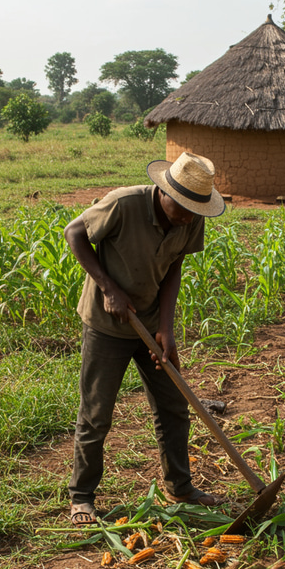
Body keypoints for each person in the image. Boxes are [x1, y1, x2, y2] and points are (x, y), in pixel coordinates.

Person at [63, 151, 227, 526]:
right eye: (182, 207)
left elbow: (174, 268)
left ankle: (180, 486)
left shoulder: (191, 216)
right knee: (97, 412)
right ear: (163, 191)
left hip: (150, 322)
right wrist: (108, 288)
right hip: (107, 324)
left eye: (193, 211)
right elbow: (75, 233)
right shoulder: (123, 204)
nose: (187, 217)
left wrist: (166, 330)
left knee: (174, 405)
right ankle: (82, 496)